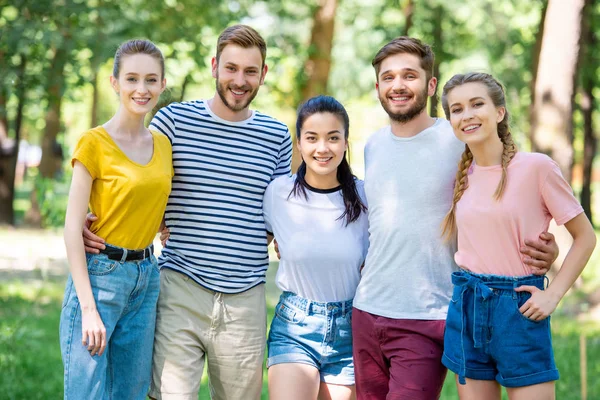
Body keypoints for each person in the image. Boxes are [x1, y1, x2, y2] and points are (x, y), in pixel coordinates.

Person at [83, 25, 293, 399]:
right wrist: (92, 215)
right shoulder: (173, 122)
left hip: (245, 299)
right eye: (231, 68)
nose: (239, 80)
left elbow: (282, 213)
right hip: (179, 287)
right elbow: (135, 177)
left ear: (263, 74)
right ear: (215, 66)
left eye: (250, 71)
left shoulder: (276, 136)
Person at [351, 36, 559, 400]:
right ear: (378, 87)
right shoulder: (373, 145)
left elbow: (508, 187)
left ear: (431, 85)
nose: (398, 85)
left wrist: (543, 246)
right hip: (367, 309)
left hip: (431, 309)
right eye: (388, 77)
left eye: (409, 75)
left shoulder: (460, 135)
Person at [439, 72, 596, 399]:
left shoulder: (537, 168)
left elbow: (585, 236)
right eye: (456, 109)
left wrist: (553, 296)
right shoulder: (459, 176)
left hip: (519, 309)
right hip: (467, 304)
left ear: (499, 112)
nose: (467, 114)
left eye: (477, 104)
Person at [60, 39, 171, 399]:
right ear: (115, 82)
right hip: (100, 277)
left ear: (162, 85)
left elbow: (151, 202)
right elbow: (71, 229)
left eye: (151, 80)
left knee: (132, 392)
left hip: (146, 277)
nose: (142, 89)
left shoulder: (163, 145)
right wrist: (89, 310)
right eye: (132, 79)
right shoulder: (93, 143)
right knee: (87, 394)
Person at [265, 95, 368, 400]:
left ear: (346, 143)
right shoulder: (278, 193)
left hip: (350, 327)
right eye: (312, 138)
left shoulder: (364, 197)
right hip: (295, 325)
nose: (322, 148)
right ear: (299, 143)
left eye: (333, 138)